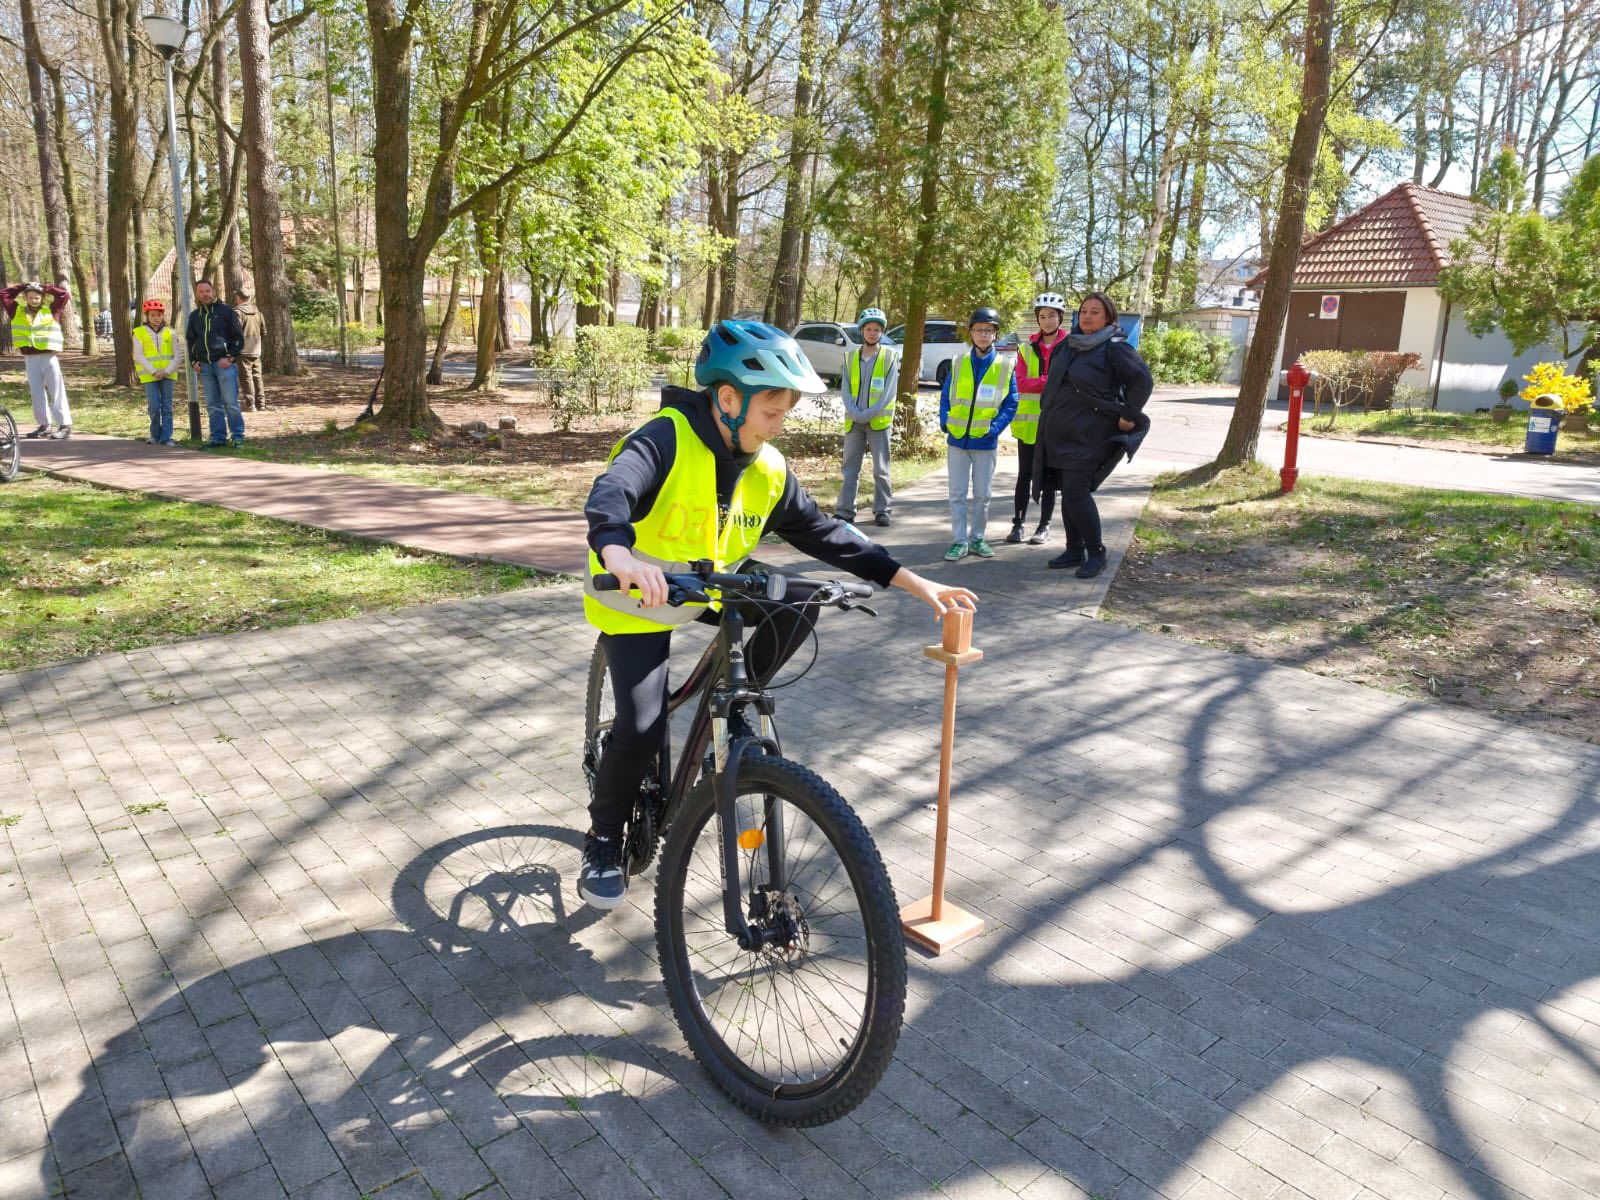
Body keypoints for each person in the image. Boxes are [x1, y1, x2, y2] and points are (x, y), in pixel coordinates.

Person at [579, 319, 978, 910]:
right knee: (641, 729)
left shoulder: (768, 467)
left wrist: (913, 582)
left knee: (798, 597)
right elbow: (613, 490)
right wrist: (619, 552)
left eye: (786, 409)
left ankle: (732, 707)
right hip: (635, 598)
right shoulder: (665, 437)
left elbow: (825, 534)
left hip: (705, 591)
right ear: (728, 398)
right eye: (773, 408)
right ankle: (603, 841)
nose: (780, 422)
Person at [1036, 292, 1153, 578]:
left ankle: (1096, 552)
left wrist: (1128, 415)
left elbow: (1142, 381)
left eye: (1095, 312)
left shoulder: (1114, 347)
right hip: (1060, 434)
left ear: (1108, 317)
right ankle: (1074, 549)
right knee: (1069, 493)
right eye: (1084, 311)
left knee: (1077, 492)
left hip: (1090, 435)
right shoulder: (1070, 345)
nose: (1087, 316)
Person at [938, 306, 1017, 562]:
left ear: (995, 334)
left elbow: (1011, 402)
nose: (983, 335)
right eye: (978, 330)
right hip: (958, 440)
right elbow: (946, 395)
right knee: (957, 494)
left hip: (985, 441)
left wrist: (994, 429)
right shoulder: (958, 362)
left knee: (982, 495)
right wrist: (945, 421)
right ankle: (959, 541)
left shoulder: (1005, 366)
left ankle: (978, 539)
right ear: (971, 333)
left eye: (988, 330)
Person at [1006, 291, 1068, 546]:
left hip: (1056, 424)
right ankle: (1018, 524)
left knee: (1050, 478)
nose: (1047, 321)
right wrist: (1049, 381)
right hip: (1028, 425)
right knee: (1024, 476)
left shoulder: (1071, 346)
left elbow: (1071, 382)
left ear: (1060, 318)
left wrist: (1041, 383)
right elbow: (1019, 382)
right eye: (1042, 316)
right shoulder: (1025, 347)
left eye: (1052, 316)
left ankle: (1044, 526)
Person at [833, 306, 900, 527]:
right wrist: (854, 412)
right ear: (862, 331)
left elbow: (889, 393)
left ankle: (882, 510)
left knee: (881, 470)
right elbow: (845, 390)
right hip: (854, 422)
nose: (872, 333)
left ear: (882, 332)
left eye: (877, 330)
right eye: (869, 329)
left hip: (878, 423)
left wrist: (869, 414)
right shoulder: (851, 357)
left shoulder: (890, 357)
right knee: (850, 468)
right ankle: (844, 510)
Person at [1, 280, 73, 439]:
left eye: (37, 297)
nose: (33, 300)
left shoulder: (52, 310)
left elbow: (64, 294)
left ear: (42, 298)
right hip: (30, 357)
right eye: (30, 297)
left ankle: (64, 425)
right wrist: (23, 286)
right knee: (36, 392)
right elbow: (3, 294)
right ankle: (44, 424)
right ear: (25, 298)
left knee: (56, 390)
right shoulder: (16, 311)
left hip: (48, 356)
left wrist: (45, 287)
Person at [185, 279, 246, 447]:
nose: (205, 294)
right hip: (205, 366)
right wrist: (193, 361)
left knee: (231, 403)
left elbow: (238, 338)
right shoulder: (194, 316)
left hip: (223, 364)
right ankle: (217, 437)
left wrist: (231, 357)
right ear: (197, 294)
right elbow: (190, 341)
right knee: (213, 405)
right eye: (201, 291)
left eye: (208, 290)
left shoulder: (226, 311)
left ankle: (238, 436)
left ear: (213, 291)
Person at [132, 299, 178, 445]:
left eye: (158, 315)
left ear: (163, 316)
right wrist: (153, 371)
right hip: (149, 376)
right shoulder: (139, 332)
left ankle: (167, 437)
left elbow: (177, 355)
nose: (156, 318)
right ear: (147, 316)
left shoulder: (170, 333)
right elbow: (138, 355)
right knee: (153, 406)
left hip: (168, 374)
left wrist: (167, 370)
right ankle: (155, 434)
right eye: (152, 315)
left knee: (167, 406)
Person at [234, 288, 266, 411]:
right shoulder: (258, 313)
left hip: (242, 350)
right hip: (256, 349)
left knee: (245, 377)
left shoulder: (237, 313)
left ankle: (249, 404)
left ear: (238, 298)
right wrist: (256, 343)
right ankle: (261, 404)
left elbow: (235, 332)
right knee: (257, 376)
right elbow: (264, 332)